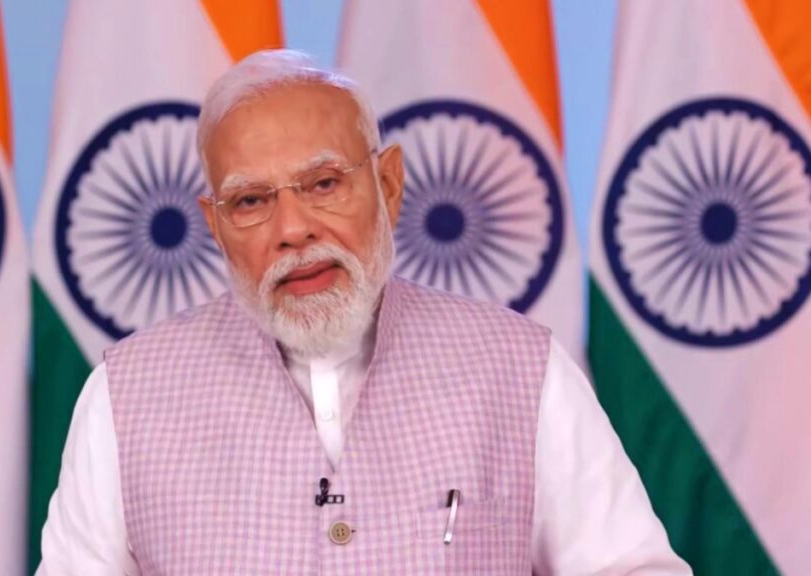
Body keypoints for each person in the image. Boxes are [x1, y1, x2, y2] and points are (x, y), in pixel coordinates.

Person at [37, 50, 691, 575]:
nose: (293, 230)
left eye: (323, 184)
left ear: (388, 184)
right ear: (214, 225)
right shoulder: (127, 395)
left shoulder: (518, 368)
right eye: (251, 202)